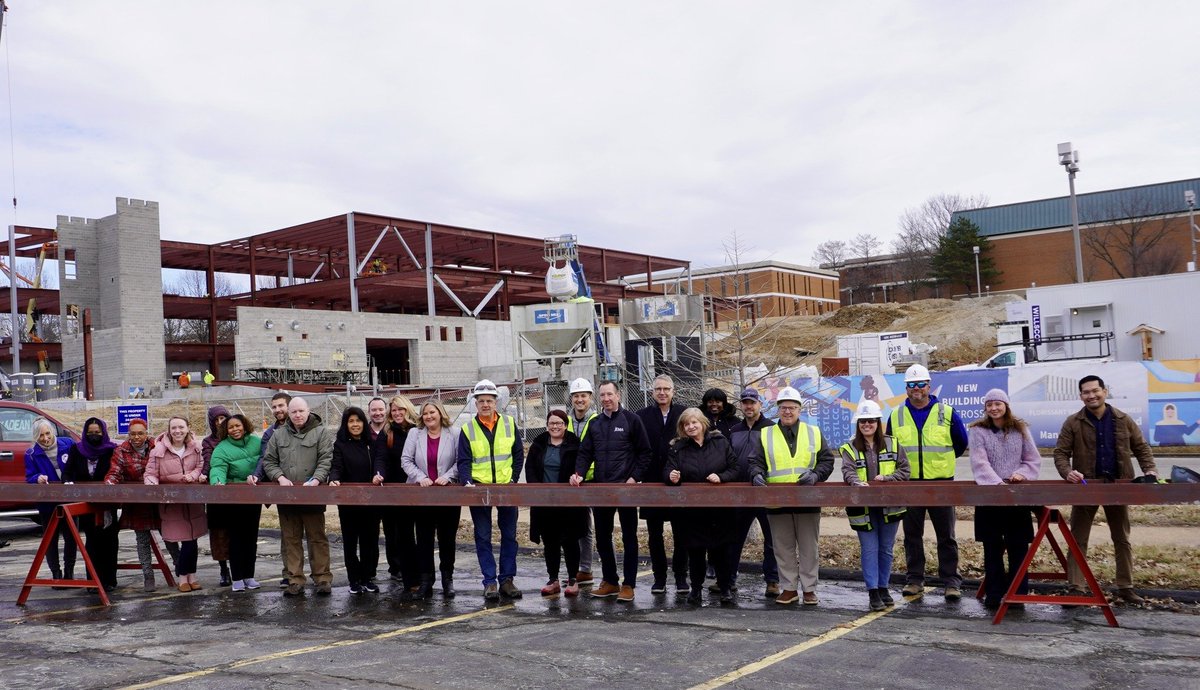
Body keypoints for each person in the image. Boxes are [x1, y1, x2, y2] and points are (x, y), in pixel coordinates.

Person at [1053, 375, 1158, 604]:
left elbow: (1141, 448)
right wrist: (1067, 472)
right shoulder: (1073, 422)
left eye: (1095, 391)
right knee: (1077, 539)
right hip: (1085, 488)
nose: (1091, 395)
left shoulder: (1123, 419)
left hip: (1118, 487)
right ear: (1080, 396)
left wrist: (1150, 470)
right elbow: (1060, 453)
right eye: (1086, 392)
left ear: (1105, 391)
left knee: (1122, 538)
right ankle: (1076, 587)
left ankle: (1126, 587)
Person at [886, 364, 967, 600]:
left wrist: (941, 465)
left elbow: (961, 443)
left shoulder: (946, 413)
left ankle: (951, 582)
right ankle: (914, 580)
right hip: (909, 484)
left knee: (946, 536)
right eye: (911, 385)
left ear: (928, 386)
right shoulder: (896, 416)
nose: (916, 388)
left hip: (941, 484)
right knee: (912, 535)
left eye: (921, 384)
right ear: (906, 388)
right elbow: (890, 450)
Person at [748, 387, 835, 606]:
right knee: (782, 547)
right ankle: (788, 588)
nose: (788, 411)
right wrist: (756, 474)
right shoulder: (766, 434)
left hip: (807, 500)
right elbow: (755, 461)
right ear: (778, 410)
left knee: (809, 548)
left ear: (799, 410)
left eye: (792, 408)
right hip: (777, 500)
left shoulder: (813, 432)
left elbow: (826, 460)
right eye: (784, 408)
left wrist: (815, 475)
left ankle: (809, 589)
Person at [571, 380, 652, 602]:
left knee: (629, 537)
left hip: (625, 490)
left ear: (618, 395)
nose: (606, 399)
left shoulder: (632, 420)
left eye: (610, 394)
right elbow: (585, 453)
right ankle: (610, 581)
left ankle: (629, 584)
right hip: (602, 489)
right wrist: (579, 473)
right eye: (603, 395)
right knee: (603, 536)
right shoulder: (595, 424)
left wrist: (634, 478)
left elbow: (645, 453)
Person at [968, 389, 1041, 609]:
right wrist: (997, 485)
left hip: (1016, 498)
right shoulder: (978, 431)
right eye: (989, 405)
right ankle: (994, 594)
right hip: (990, 497)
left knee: (1018, 547)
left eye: (998, 404)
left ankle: (1018, 594)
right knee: (992, 548)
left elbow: (1032, 460)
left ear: (1006, 406)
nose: (994, 408)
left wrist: (1022, 474)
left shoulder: (1020, 429)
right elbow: (979, 462)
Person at [457, 379, 525, 600]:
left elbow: (518, 454)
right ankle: (490, 582)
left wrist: (513, 478)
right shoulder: (467, 429)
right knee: (483, 536)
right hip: (480, 488)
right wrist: (467, 481)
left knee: (509, 535)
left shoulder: (509, 423)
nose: (485, 404)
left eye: (489, 400)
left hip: (506, 488)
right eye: (481, 401)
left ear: (496, 402)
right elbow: (463, 460)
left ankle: (507, 580)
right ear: (475, 403)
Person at [839, 400, 910, 611]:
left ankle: (883, 587)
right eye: (863, 421)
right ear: (858, 424)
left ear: (878, 422)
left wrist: (887, 478)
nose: (867, 424)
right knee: (869, 549)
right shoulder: (850, 448)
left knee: (886, 549)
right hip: (863, 508)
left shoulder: (893, 444)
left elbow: (905, 470)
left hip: (889, 506)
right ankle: (873, 591)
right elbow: (848, 471)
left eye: (871, 420)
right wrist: (856, 482)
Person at [665, 408, 740, 605]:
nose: (691, 427)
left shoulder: (720, 442)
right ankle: (696, 589)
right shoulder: (678, 448)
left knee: (722, 552)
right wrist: (672, 476)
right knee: (696, 552)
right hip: (692, 511)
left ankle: (725, 588)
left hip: (720, 509)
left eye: (694, 422)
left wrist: (721, 477)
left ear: (703, 423)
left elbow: (735, 468)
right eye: (686, 424)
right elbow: (667, 470)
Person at [262, 397, 334, 597]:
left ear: (308, 410)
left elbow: (326, 458)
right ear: (289, 413)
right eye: (294, 412)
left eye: (301, 411)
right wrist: (280, 477)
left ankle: (322, 578)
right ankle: (294, 579)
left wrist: (317, 479)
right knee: (290, 539)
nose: (298, 415)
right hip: (287, 497)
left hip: (313, 496)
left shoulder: (321, 432)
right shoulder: (278, 435)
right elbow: (269, 461)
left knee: (317, 538)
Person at [400, 400, 461, 599]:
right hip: (423, 494)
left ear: (440, 413)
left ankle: (447, 580)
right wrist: (420, 477)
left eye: (432, 412)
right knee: (424, 539)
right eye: (425, 413)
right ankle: (426, 581)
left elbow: (461, 461)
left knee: (447, 539)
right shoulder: (414, 434)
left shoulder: (454, 433)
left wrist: (448, 476)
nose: (428, 416)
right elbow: (406, 460)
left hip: (447, 495)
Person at [526, 410, 588, 597]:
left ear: (565, 425)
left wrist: (576, 476)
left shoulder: (574, 444)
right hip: (545, 502)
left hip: (569, 502)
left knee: (570, 541)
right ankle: (553, 579)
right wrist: (537, 489)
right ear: (547, 425)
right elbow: (530, 468)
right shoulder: (539, 444)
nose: (555, 426)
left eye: (559, 423)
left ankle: (573, 579)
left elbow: (581, 465)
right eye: (552, 423)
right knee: (550, 542)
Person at [634, 374, 687, 594]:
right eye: (658, 389)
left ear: (673, 391)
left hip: (678, 481)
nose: (662, 393)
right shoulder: (641, 416)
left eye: (666, 389)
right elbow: (637, 447)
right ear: (652, 392)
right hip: (652, 482)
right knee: (654, 534)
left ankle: (681, 578)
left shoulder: (684, 414)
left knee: (681, 533)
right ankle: (659, 578)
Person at [145, 416, 208, 593]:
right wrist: (153, 486)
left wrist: (193, 476)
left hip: (192, 501)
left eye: (181, 427)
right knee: (184, 540)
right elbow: (150, 473)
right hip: (171, 503)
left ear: (188, 428)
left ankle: (191, 576)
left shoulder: (197, 447)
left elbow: (201, 466)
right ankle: (183, 577)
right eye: (174, 428)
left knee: (192, 541)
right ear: (169, 430)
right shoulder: (158, 451)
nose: (177, 431)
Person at [728, 388, 780, 598]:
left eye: (752, 402)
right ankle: (728, 579)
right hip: (740, 492)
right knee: (734, 538)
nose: (749, 406)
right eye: (745, 403)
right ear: (741, 405)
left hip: (765, 490)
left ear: (760, 404)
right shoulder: (734, 430)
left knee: (772, 539)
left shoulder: (772, 428)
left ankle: (772, 580)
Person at [104, 418, 162, 592]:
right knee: (142, 540)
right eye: (133, 434)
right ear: (129, 434)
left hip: (158, 500)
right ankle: (148, 576)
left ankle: (182, 571)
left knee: (170, 537)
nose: (137, 437)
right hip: (136, 502)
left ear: (146, 434)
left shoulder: (157, 447)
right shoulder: (121, 450)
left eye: (140, 433)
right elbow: (115, 471)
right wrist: (109, 483)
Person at [62, 417, 119, 592]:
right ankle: (93, 581)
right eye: (90, 432)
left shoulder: (112, 450)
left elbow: (117, 472)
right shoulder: (76, 449)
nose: (94, 435)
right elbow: (67, 472)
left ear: (103, 432)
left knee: (109, 541)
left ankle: (109, 580)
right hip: (87, 504)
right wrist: (68, 483)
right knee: (92, 541)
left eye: (97, 432)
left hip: (107, 503)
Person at [208, 414, 263, 592]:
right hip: (234, 500)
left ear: (244, 426)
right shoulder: (222, 448)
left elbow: (265, 461)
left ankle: (249, 576)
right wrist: (217, 482)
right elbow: (218, 468)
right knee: (236, 539)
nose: (235, 429)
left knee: (251, 538)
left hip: (253, 498)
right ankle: (237, 577)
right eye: (230, 427)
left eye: (238, 425)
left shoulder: (256, 442)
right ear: (226, 430)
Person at [329, 407, 381, 595]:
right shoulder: (340, 445)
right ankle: (354, 579)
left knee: (369, 542)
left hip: (370, 502)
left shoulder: (371, 443)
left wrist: (378, 475)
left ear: (363, 423)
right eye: (351, 421)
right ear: (346, 424)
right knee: (350, 543)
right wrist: (334, 478)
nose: (355, 424)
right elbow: (336, 466)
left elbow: (379, 463)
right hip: (348, 503)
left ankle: (367, 578)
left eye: (358, 420)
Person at [372, 394, 419, 596]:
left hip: (417, 486)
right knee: (400, 535)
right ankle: (407, 578)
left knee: (420, 535)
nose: (397, 413)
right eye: (394, 410)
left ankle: (423, 576)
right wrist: (379, 473)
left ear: (408, 409)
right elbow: (381, 456)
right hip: (395, 489)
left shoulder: (418, 429)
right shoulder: (387, 431)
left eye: (401, 409)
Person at [25, 417, 77, 585]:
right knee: (50, 538)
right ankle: (56, 573)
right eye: (41, 436)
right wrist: (37, 478)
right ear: (35, 436)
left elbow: (78, 464)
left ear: (53, 432)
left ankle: (69, 572)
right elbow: (29, 476)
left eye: (47, 433)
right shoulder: (31, 454)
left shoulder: (68, 444)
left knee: (71, 537)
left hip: (69, 499)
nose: (45, 438)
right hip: (47, 503)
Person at [247, 390, 290, 588]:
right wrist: (257, 475)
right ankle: (290, 573)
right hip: (283, 488)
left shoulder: (306, 427)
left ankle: (320, 576)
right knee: (288, 535)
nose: (277, 410)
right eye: (274, 407)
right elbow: (265, 458)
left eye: (281, 405)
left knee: (316, 536)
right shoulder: (269, 433)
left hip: (308, 487)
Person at [566, 377, 599, 588]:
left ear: (590, 398)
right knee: (578, 526)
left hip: (594, 479)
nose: (580, 400)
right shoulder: (566, 421)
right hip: (574, 480)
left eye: (583, 396)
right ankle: (581, 570)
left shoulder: (598, 420)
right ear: (571, 398)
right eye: (576, 396)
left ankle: (586, 569)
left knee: (598, 528)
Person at [201, 405, 232, 587]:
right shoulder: (208, 442)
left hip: (235, 492)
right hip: (216, 492)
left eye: (223, 418)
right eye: (217, 419)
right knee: (218, 533)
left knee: (235, 532)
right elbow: (208, 460)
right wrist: (204, 473)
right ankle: (223, 569)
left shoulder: (236, 436)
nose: (221, 422)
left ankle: (239, 568)